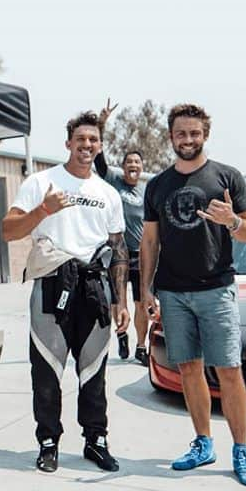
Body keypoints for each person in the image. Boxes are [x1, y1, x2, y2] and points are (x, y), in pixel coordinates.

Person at [138, 103, 246, 487]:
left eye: (194, 133)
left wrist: (233, 221)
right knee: (188, 369)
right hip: (173, 293)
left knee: (228, 371)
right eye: (180, 133)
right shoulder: (157, 185)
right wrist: (145, 288)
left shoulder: (227, 177)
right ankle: (203, 443)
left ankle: (241, 450)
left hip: (216, 290)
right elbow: (150, 241)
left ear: (204, 134)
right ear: (171, 136)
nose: (187, 139)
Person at [2, 111, 130, 474]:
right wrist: (43, 209)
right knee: (45, 372)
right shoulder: (42, 182)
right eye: (80, 140)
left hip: (94, 286)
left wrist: (120, 301)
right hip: (52, 285)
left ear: (100, 145)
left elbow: (118, 247)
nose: (87, 145)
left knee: (94, 371)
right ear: (68, 143)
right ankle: (48, 443)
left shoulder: (108, 193)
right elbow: (9, 230)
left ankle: (96, 441)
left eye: (93, 140)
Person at [94, 100, 149, 364]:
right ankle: (122, 335)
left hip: (140, 254)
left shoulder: (146, 190)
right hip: (117, 252)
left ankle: (141, 346)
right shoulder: (112, 179)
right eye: (129, 162)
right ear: (123, 166)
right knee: (119, 301)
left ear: (141, 167)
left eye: (137, 162)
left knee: (141, 303)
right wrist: (102, 124)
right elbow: (98, 155)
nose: (133, 166)